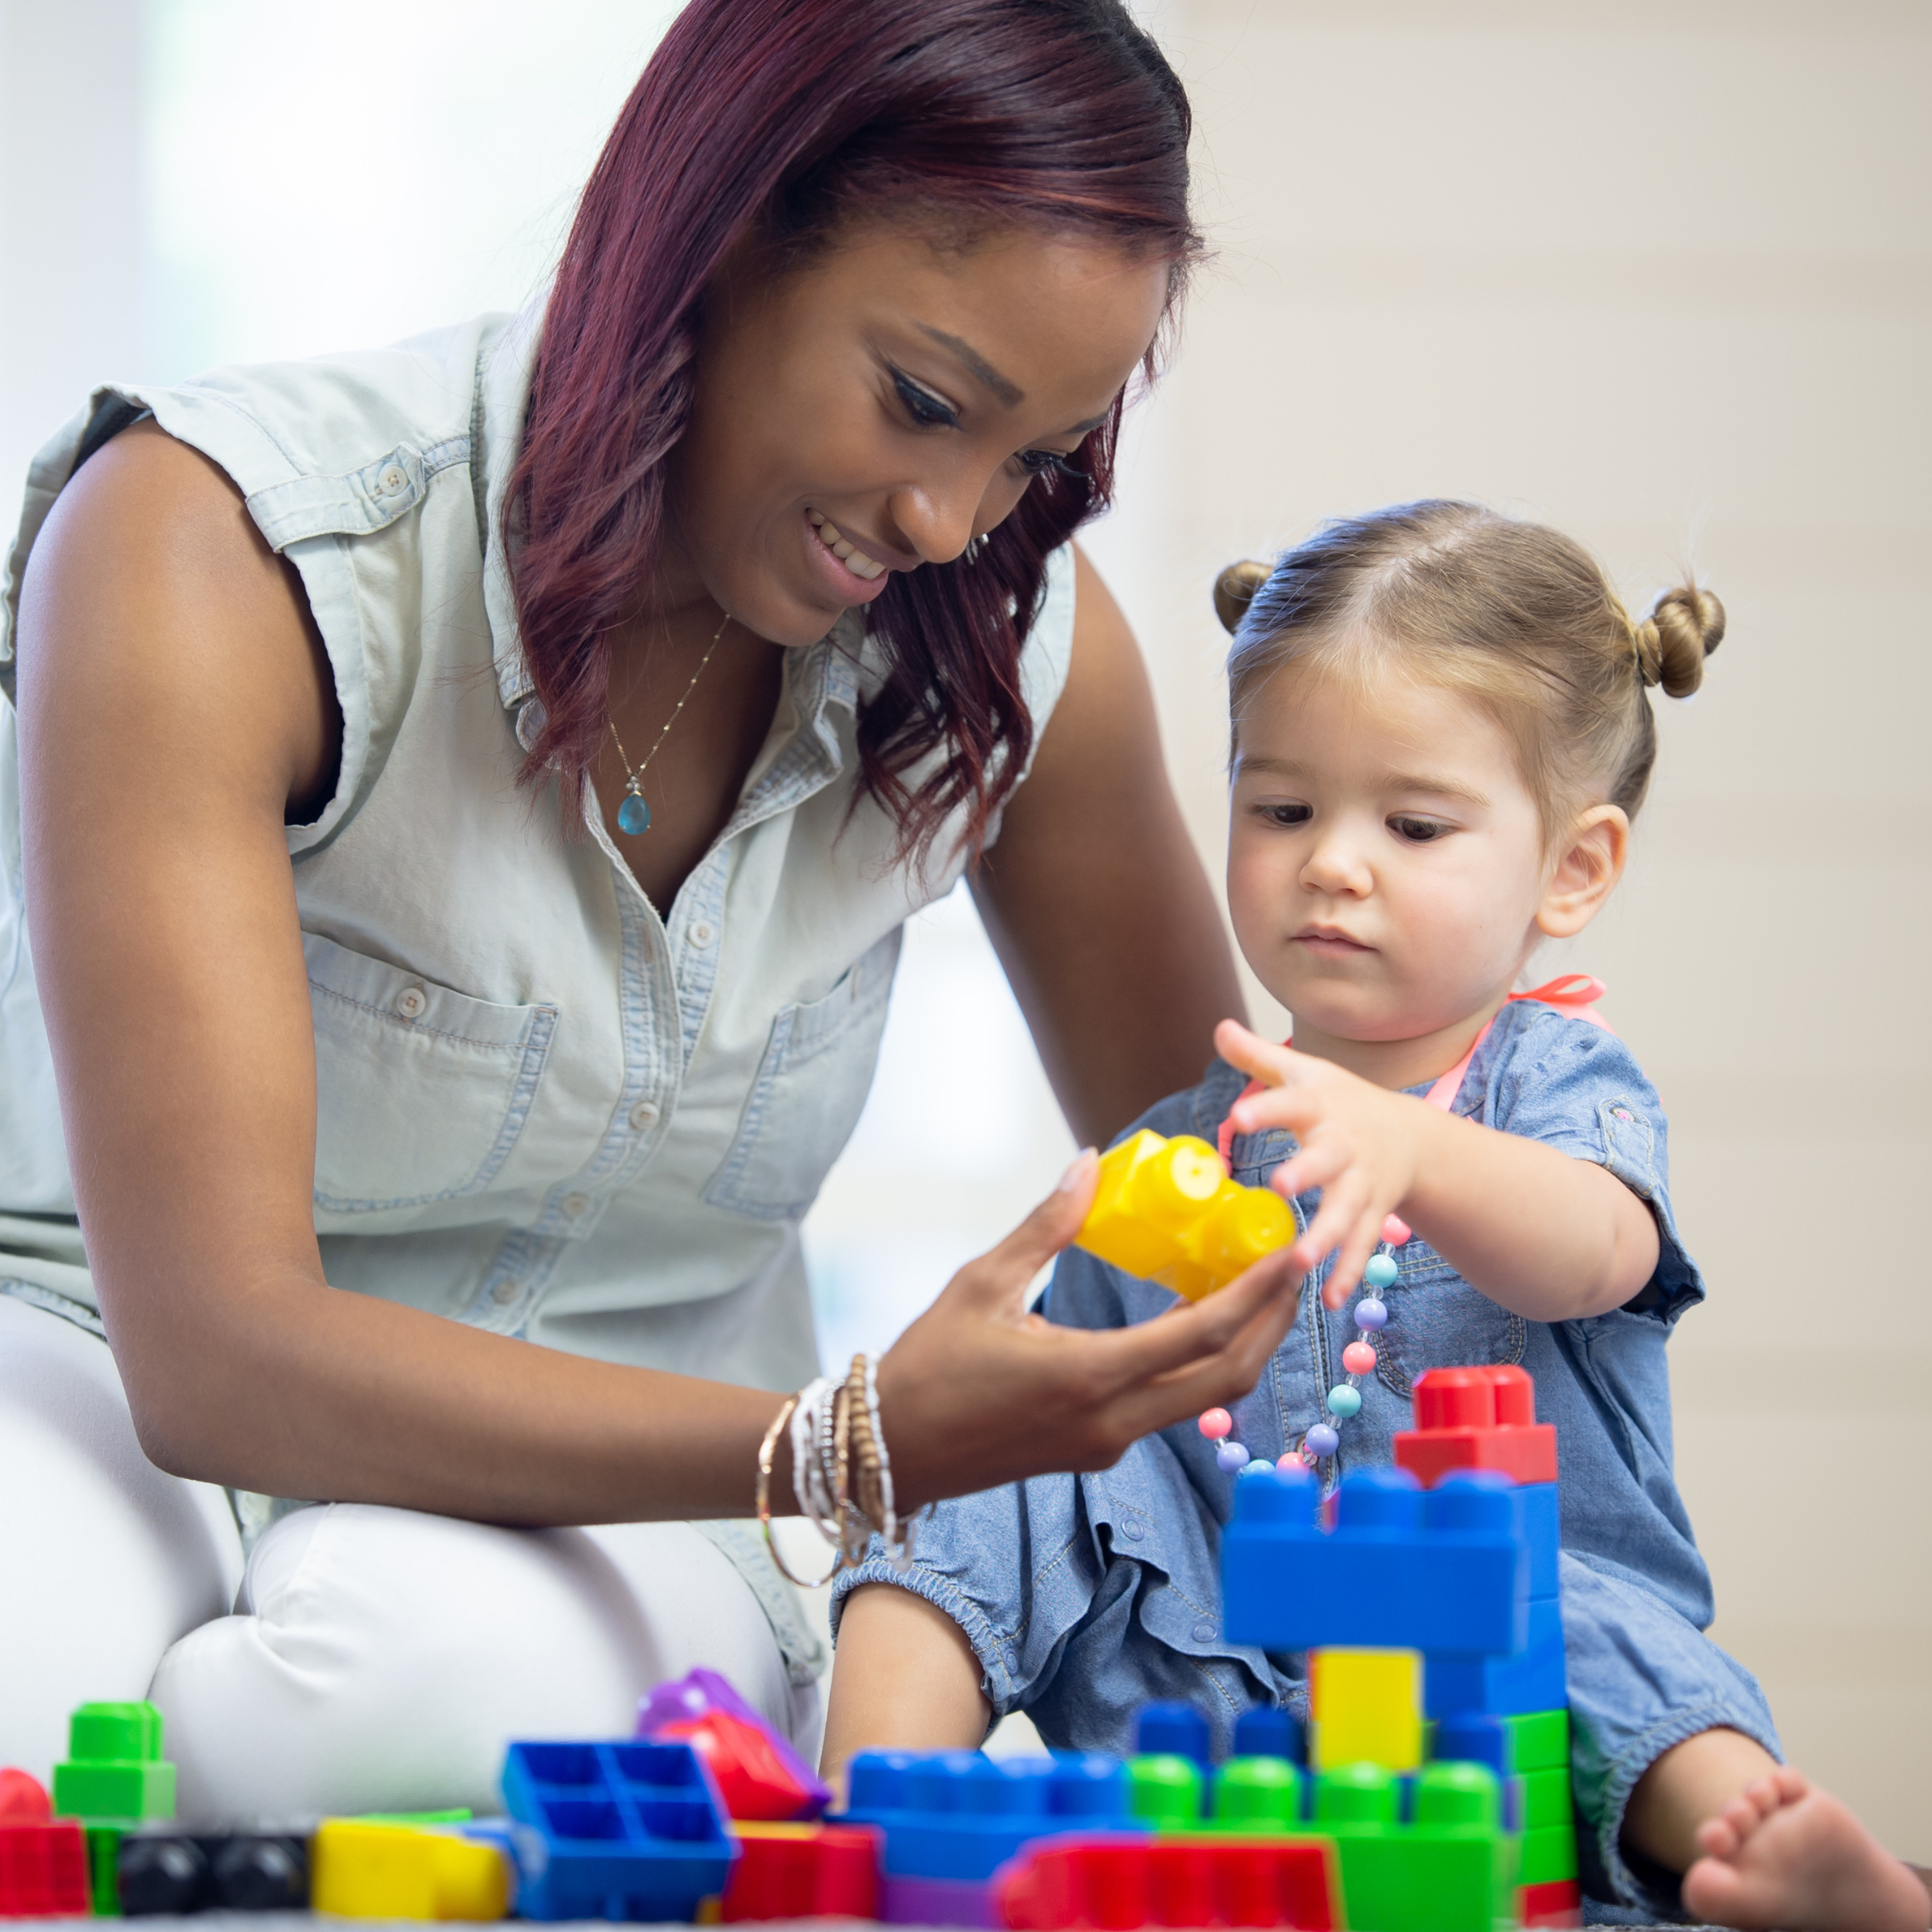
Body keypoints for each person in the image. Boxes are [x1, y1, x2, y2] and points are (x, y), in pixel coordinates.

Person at [0, 0, 1308, 1815]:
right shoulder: (216, 550)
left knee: (379, 1714)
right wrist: (841, 1443)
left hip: (638, 1464)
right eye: (925, 401)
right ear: (718, 224)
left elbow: (1248, 1196)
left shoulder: (1014, 669)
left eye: (1029, 457)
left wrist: (1487, 1109)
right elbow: (213, 1353)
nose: (949, 519)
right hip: (88, 1355)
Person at [825, 501, 1932, 1932]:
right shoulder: (1181, 1145)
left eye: (1412, 824)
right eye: (1280, 808)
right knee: (979, 1468)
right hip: (1217, 1661)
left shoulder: (1549, 1082)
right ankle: (865, 1810)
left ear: (1572, 868)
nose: (1333, 861)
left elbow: (1605, 1249)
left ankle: (1776, 1857)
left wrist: (1412, 1150)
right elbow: (1085, 1437)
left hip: (1490, 1669)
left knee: (1585, 1624)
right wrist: (1013, 1379)